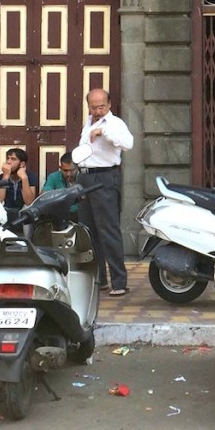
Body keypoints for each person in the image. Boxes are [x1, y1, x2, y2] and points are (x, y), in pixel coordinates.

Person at [77, 89, 133, 297]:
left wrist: (104, 132)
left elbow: (128, 144)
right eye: (93, 107)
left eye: (101, 106)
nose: (97, 111)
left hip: (104, 178)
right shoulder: (88, 122)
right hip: (85, 177)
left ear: (109, 105)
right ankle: (99, 279)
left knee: (108, 230)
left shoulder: (114, 124)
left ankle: (119, 281)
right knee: (88, 230)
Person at [0, 148, 37, 218]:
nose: (8, 162)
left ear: (22, 164)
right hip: (5, 213)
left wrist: (24, 179)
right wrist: (5, 176)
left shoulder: (30, 177)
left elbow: (29, 202)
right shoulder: (1, 177)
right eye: (8, 158)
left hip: (23, 214)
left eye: (13, 159)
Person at [42, 151, 79, 215]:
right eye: (65, 170)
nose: (68, 174)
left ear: (78, 168)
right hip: (58, 214)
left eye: (72, 170)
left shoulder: (83, 178)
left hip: (80, 214)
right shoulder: (53, 177)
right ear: (60, 168)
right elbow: (44, 196)